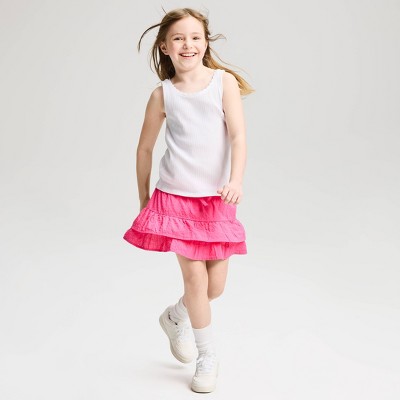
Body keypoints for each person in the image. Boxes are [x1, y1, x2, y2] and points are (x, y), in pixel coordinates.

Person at [123, 7, 253, 393]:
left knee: (214, 288)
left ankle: (175, 316)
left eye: (195, 37)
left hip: (216, 201)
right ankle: (207, 356)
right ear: (165, 46)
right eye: (178, 38)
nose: (187, 44)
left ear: (205, 43)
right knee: (195, 279)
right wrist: (145, 198)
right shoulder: (162, 94)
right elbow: (144, 149)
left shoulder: (223, 83)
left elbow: (238, 137)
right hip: (175, 200)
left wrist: (236, 180)